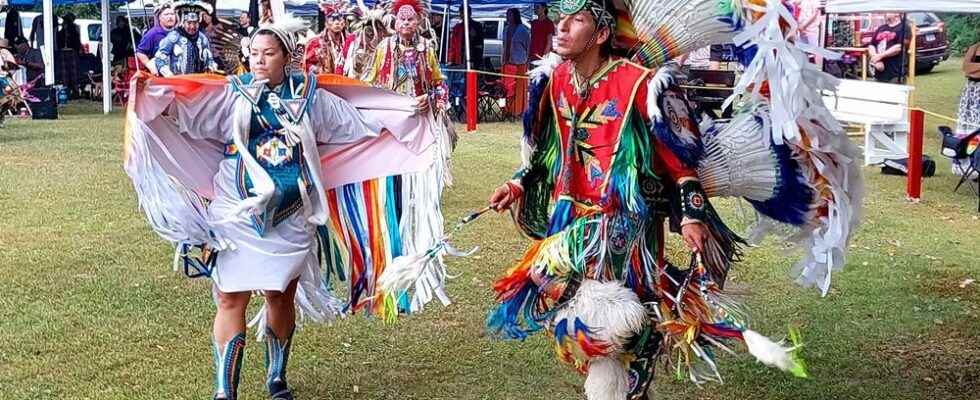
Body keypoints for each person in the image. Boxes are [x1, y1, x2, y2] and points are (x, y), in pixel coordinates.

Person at [479, 0, 861, 398]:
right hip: (570, 220)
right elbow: (548, 154)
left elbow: (680, 164)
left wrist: (693, 216)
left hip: (625, 225)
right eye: (561, 19)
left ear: (602, 34)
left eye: (576, 20)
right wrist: (518, 184)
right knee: (572, 309)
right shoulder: (557, 81)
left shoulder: (642, 85)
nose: (561, 28)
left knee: (628, 320)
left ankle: (629, 386)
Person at [126, 13, 444, 400]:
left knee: (280, 294)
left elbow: (356, 121)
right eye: (254, 53)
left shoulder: (310, 96)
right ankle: (225, 390)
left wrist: (407, 111)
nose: (259, 60)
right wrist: (149, 92)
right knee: (230, 295)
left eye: (269, 53)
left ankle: (277, 377)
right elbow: (185, 113)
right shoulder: (232, 93)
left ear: (286, 57)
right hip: (237, 209)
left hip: (292, 211)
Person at [153, 1, 218, 76]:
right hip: (179, 82)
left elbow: (209, 60)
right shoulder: (174, 37)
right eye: (189, 23)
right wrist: (168, 74)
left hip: (199, 81)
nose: (192, 27)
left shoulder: (202, 38)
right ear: (183, 22)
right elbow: (159, 58)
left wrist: (211, 66)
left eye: (195, 23)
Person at [303, 0, 353, 74]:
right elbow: (306, 64)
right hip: (324, 82)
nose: (337, 23)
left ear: (344, 23)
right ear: (326, 24)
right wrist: (318, 70)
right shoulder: (316, 43)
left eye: (339, 19)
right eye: (332, 19)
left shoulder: (351, 41)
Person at [953, 41, 980, 176]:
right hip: (971, 91)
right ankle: (966, 164)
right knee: (968, 128)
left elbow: (971, 68)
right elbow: (966, 67)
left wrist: (974, 68)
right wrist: (974, 69)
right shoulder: (975, 47)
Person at [501, 8, 529, 119]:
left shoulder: (523, 30)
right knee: (506, 88)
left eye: (510, 15)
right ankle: (506, 110)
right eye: (507, 15)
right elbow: (504, 45)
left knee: (518, 88)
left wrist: (526, 60)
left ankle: (518, 111)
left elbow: (528, 46)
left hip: (519, 63)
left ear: (515, 16)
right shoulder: (506, 29)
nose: (508, 17)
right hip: (506, 62)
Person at [137, 2, 177, 75]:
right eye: (166, 14)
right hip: (160, 76)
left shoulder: (180, 32)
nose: (170, 17)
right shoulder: (152, 34)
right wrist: (150, 66)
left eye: (172, 14)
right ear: (160, 17)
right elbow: (140, 52)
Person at [868, 13, 908, 83]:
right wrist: (876, 60)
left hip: (895, 74)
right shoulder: (881, 28)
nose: (885, 13)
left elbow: (899, 47)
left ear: (897, 13)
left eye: (888, 11)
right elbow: (871, 45)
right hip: (878, 74)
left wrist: (880, 56)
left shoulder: (904, 28)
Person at [447, 5, 483, 69]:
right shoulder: (457, 27)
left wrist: (478, 61)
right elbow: (453, 45)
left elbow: (480, 45)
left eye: (464, 13)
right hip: (459, 59)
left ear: (470, 13)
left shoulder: (477, 26)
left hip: (473, 58)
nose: (462, 15)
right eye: (461, 13)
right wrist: (451, 59)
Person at [795, 0, 823, 66]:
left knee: (813, 51)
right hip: (802, 29)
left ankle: (815, 70)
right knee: (804, 51)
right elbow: (796, 5)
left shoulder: (815, 1)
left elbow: (814, 14)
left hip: (811, 29)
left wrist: (804, 25)